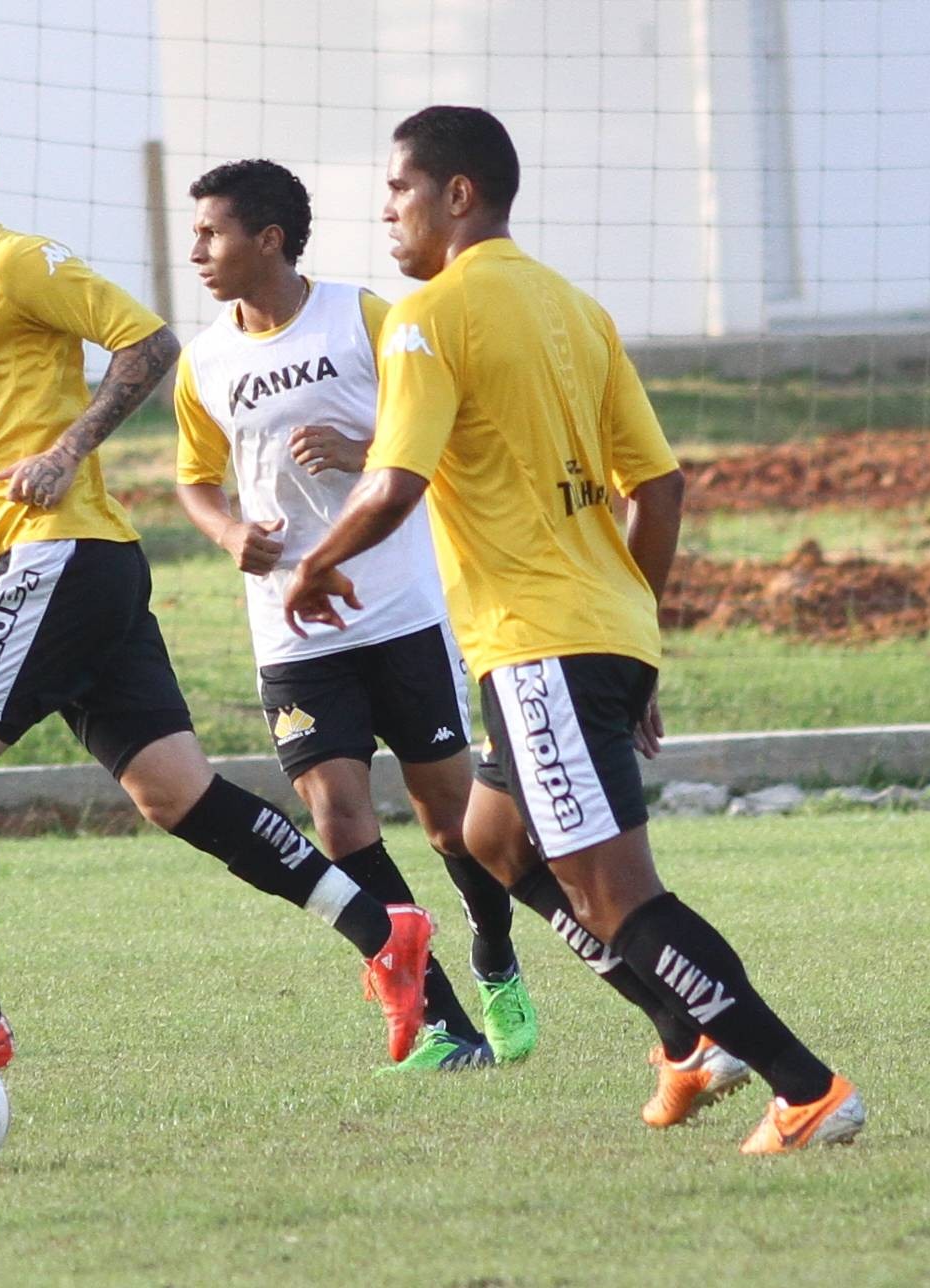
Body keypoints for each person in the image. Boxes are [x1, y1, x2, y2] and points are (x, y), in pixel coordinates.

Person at [282, 106, 865, 1153]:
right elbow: (661, 488)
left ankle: (803, 1084)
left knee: (612, 889)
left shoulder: (427, 316)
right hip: (597, 628)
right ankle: (685, 1040)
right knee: (490, 837)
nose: (385, 212)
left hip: (538, 641)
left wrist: (312, 564)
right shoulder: (574, 308)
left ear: (457, 194)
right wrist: (634, 644)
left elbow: (393, 481)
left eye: (397, 190)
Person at [0, 82, 435, 1084]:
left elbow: (147, 341)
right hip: (75, 572)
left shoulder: (18, 262)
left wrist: (68, 448)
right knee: (175, 793)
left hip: (60, 552)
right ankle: (382, 930)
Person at [172, 159, 537, 1072]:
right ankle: (445, 1023)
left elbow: (448, 432)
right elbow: (193, 478)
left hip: (401, 611)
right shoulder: (207, 360)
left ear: (269, 239)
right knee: (339, 823)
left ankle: (493, 953)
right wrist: (228, 534)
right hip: (291, 629)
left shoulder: (367, 317)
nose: (196, 252)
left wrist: (361, 445)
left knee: (454, 823)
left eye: (212, 233)